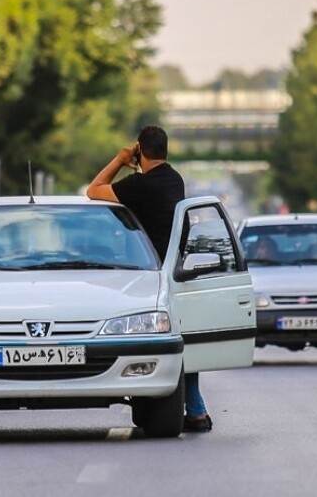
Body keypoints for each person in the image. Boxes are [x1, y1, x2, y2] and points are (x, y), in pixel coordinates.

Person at [86, 125, 212, 433]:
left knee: (165, 344)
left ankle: (193, 409)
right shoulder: (174, 179)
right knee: (181, 342)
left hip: (150, 275)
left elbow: (94, 190)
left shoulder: (140, 185)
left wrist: (119, 159)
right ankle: (196, 410)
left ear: (140, 150)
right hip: (175, 271)